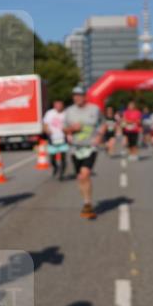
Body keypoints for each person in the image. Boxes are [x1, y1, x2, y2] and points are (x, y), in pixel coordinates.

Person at [64, 86, 108, 219]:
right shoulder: (69, 111)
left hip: (90, 147)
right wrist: (71, 129)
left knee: (85, 174)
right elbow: (64, 128)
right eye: (74, 95)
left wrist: (100, 136)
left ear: (85, 96)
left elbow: (103, 124)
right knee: (80, 178)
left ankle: (87, 203)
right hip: (75, 148)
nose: (76, 97)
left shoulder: (94, 109)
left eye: (79, 95)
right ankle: (85, 201)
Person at [42, 99, 68, 180]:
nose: (58, 106)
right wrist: (47, 130)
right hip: (52, 138)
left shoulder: (66, 114)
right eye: (57, 105)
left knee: (63, 157)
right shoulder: (49, 113)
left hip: (63, 138)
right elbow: (45, 124)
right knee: (52, 159)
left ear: (62, 105)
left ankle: (61, 174)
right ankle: (55, 167)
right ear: (54, 105)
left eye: (60, 105)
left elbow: (70, 124)